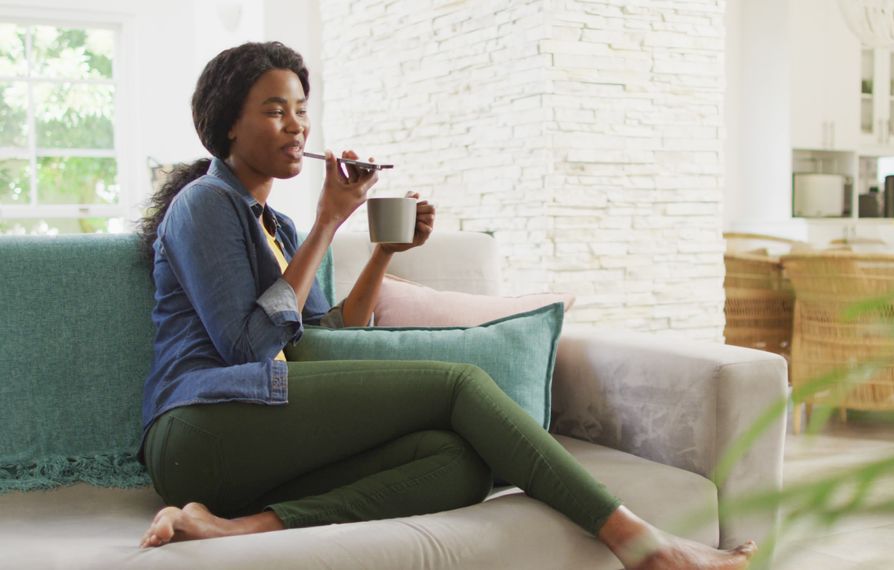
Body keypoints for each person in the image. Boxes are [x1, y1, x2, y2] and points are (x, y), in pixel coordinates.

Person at [135, 41, 755, 570]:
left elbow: (325, 336)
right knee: (458, 385)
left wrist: (383, 252)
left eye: (302, 110)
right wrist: (329, 221)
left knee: (457, 464)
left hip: (260, 439)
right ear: (227, 125)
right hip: (200, 426)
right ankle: (636, 539)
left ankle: (235, 527)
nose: (298, 125)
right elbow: (248, 348)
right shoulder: (205, 203)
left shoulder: (280, 228)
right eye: (275, 110)